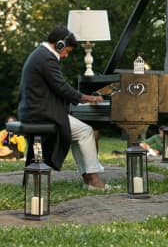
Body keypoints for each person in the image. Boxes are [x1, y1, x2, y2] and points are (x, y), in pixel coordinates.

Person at [18, 25, 108, 191]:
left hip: (33, 112)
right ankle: (93, 180)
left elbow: (57, 88)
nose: (66, 55)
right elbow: (62, 88)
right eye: (67, 50)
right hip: (40, 114)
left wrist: (80, 99)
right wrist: (88, 98)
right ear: (59, 45)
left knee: (79, 132)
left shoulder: (40, 55)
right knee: (85, 131)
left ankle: (89, 177)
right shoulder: (46, 58)